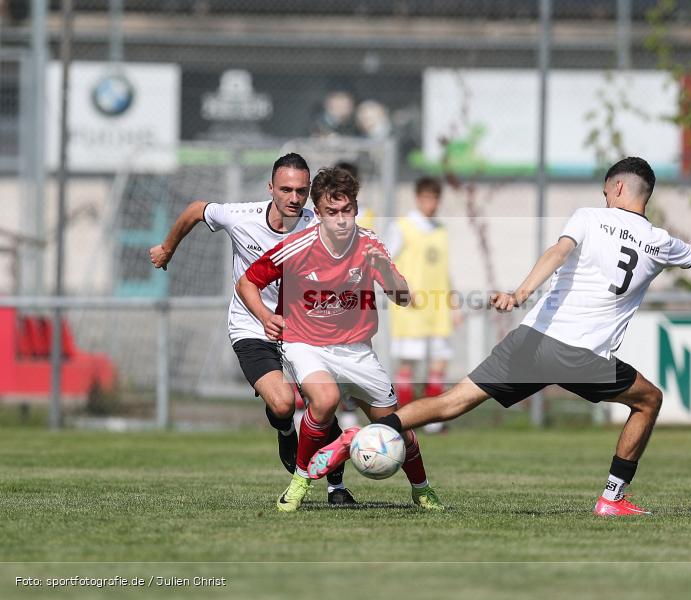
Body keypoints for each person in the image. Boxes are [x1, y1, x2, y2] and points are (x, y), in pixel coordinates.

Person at [307, 156, 691, 516]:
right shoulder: (662, 241)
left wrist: (521, 292)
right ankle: (612, 497)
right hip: (582, 356)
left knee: (451, 402)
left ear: (618, 188)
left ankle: (353, 438)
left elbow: (558, 252)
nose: (604, 198)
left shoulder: (589, 217)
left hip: (533, 340)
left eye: (607, 191)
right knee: (650, 400)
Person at [148, 153, 355, 505]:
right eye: (286, 189)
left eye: (301, 192)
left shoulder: (317, 226)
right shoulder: (240, 217)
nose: (293, 198)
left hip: (301, 329)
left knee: (323, 402)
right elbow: (197, 209)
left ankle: (336, 486)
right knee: (282, 403)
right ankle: (286, 430)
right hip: (250, 325)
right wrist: (168, 248)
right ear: (270, 187)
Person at [236, 166, 444, 512]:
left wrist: (392, 277)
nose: (341, 219)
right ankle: (300, 481)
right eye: (332, 212)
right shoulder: (297, 246)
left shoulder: (370, 244)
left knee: (395, 427)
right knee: (325, 398)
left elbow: (402, 297)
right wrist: (266, 316)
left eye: (347, 210)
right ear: (317, 213)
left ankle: (421, 489)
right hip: (306, 344)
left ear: (356, 210)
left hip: (357, 351)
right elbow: (247, 282)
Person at [384, 176, 458, 433]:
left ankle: (434, 421)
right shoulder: (402, 227)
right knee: (408, 363)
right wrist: (401, 289)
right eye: (427, 197)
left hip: (438, 307)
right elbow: (384, 262)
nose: (431, 203)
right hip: (411, 307)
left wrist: (454, 301)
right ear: (418, 198)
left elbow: (445, 271)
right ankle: (406, 418)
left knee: (440, 361)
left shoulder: (440, 229)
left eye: (436, 198)